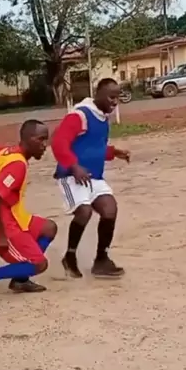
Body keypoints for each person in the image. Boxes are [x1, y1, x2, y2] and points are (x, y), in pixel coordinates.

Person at [0, 119, 57, 305]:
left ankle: (20, 279)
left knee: (49, 228)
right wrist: (1, 235)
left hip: (8, 214)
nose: (45, 145)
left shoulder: (7, 151)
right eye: (40, 139)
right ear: (27, 139)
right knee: (39, 264)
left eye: (46, 139)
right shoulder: (17, 165)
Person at [51, 78, 130, 279]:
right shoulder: (79, 115)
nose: (115, 102)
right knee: (84, 212)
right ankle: (70, 256)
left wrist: (113, 152)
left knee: (110, 209)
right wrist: (74, 166)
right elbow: (59, 142)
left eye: (117, 97)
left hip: (93, 176)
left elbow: (92, 146)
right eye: (111, 97)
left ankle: (101, 260)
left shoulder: (103, 119)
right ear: (98, 94)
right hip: (71, 176)